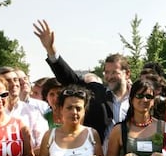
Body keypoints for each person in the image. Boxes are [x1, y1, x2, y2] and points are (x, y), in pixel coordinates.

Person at [34, 20, 130, 148]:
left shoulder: (139, 97)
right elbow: (69, 79)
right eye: (107, 72)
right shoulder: (96, 92)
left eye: (114, 72)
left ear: (127, 73)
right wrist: (51, 50)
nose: (110, 77)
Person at [38, 85, 103, 156]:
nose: (74, 112)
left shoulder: (92, 135)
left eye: (78, 108)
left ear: (85, 110)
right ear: (61, 109)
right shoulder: (49, 136)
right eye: (69, 108)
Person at [106, 79, 164, 156]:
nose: (144, 100)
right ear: (131, 99)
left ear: (153, 101)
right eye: (139, 96)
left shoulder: (163, 127)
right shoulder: (119, 130)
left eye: (148, 96)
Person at [0, 66, 48, 156]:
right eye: (8, 81)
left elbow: (43, 144)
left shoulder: (33, 112)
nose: (14, 84)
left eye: (15, 80)